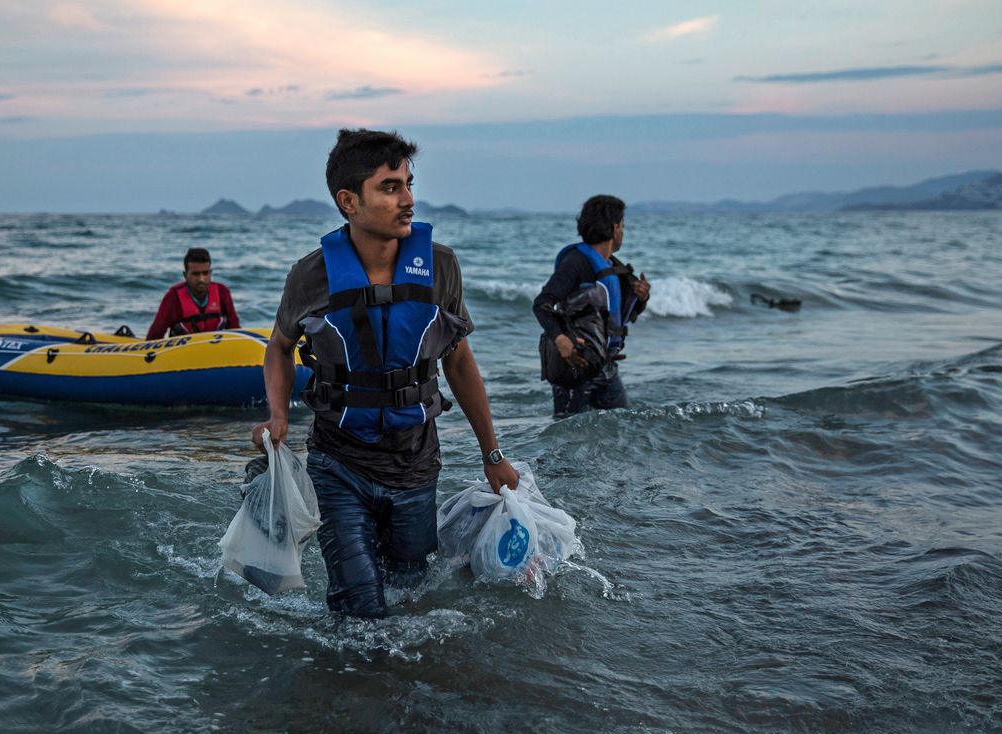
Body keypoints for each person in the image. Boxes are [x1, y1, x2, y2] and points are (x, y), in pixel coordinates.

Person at [252, 128, 519, 619]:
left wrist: (493, 454)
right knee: (360, 609)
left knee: (409, 596)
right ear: (348, 201)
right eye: (390, 187)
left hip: (415, 467)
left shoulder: (440, 267)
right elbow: (279, 347)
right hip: (338, 465)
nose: (408, 200)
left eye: (409, 184)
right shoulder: (309, 276)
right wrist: (277, 416)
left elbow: (458, 360)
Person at [532, 195, 651, 417]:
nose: (623, 232)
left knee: (622, 432)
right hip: (575, 369)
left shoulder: (614, 268)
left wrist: (642, 297)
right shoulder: (575, 263)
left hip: (606, 368)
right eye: (623, 226)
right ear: (615, 228)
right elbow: (542, 305)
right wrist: (562, 341)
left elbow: (623, 316)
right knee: (569, 441)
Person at [145, 247, 241, 340]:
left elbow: (235, 329)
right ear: (185, 275)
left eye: (205, 273)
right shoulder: (173, 297)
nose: (201, 279)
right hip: (183, 352)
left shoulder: (222, 292)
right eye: (196, 274)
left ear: (210, 273)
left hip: (216, 350)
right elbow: (155, 335)